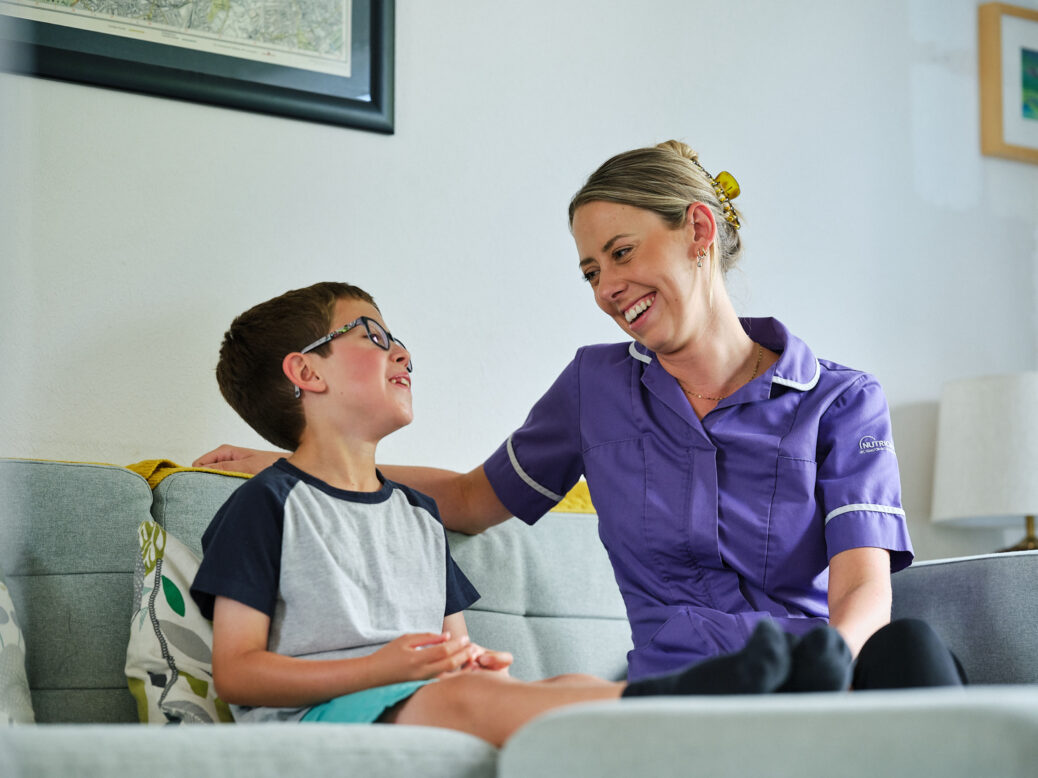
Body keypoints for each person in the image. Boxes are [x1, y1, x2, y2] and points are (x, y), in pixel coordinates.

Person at [195, 142, 965, 691]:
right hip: (684, 691)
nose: (606, 289)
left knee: (914, 651)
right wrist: (298, 464)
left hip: (825, 676)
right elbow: (470, 498)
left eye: (622, 254)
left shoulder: (840, 399)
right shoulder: (595, 388)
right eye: (591, 271)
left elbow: (862, 593)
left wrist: (826, 674)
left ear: (699, 231)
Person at [190, 281, 857, 748]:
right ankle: (704, 704)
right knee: (462, 699)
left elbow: (452, 652)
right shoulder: (267, 506)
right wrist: (383, 669)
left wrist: (476, 662)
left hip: (419, 698)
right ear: (306, 373)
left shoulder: (418, 515)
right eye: (371, 335)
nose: (402, 351)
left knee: (568, 682)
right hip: (318, 719)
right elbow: (238, 672)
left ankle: (733, 708)